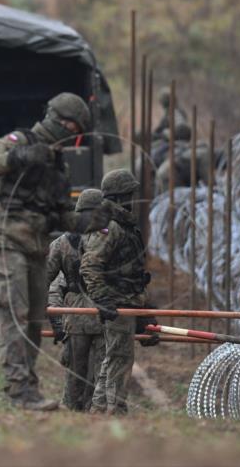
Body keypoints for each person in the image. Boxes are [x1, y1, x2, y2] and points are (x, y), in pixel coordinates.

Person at [0, 92, 88, 411]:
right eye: (70, 126)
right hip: (7, 238)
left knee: (34, 319)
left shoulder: (58, 164)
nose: (71, 134)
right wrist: (21, 157)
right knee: (15, 312)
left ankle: (28, 386)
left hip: (38, 245)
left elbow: (62, 212)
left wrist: (90, 221)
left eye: (77, 130)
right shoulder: (19, 140)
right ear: (56, 119)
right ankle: (18, 388)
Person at [80, 169, 157, 415]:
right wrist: (103, 299)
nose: (133, 199)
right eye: (129, 194)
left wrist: (144, 308)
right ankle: (115, 410)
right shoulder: (109, 226)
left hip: (128, 300)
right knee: (119, 358)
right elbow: (89, 265)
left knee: (114, 356)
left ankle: (101, 408)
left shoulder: (123, 224)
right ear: (120, 196)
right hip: (116, 302)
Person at [46, 188, 106, 412]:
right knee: (102, 373)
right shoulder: (112, 238)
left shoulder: (61, 243)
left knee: (75, 374)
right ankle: (98, 412)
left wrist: (54, 317)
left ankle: (73, 413)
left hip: (76, 315)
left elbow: (45, 280)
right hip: (104, 313)